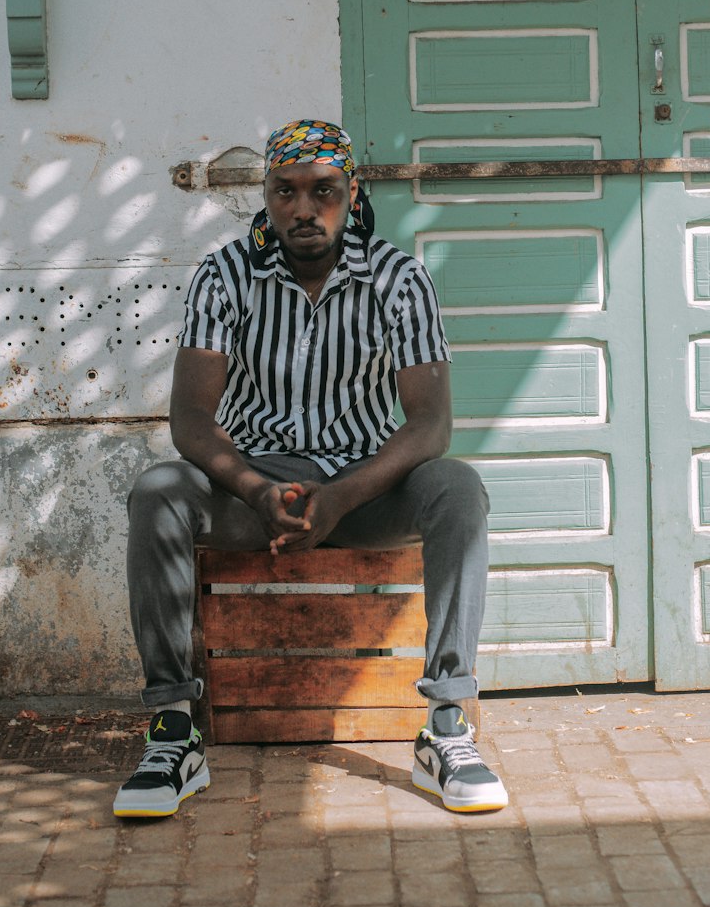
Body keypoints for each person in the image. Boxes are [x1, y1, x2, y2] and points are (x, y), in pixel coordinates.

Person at [115, 119, 507, 819]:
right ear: (264, 197)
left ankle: (446, 726)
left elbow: (430, 425)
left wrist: (338, 498)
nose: (303, 209)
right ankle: (173, 732)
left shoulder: (399, 279)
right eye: (285, 191)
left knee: (457, 489)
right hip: (255, 490)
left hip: (365, 491)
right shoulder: (223, 277)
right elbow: (192, 422)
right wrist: (259, 488)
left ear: (351, 194)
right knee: (158, 494)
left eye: (323, 191)